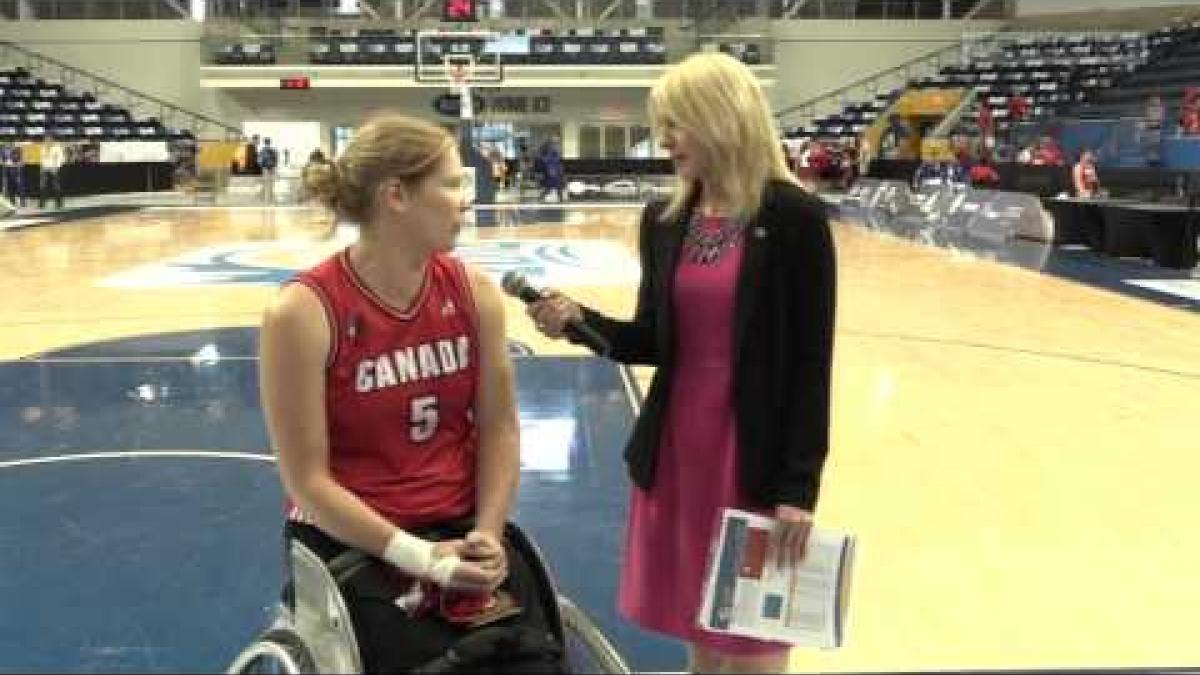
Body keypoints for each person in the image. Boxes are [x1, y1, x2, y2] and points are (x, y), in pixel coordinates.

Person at [524, 52, 837, 674]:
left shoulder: (794, 218)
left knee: (753, 642)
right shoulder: (664, 219)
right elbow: (654, 341)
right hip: (678, 452)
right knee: (700, 636)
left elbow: (810, 364)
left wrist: (797, 489)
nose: (664, 140)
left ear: (723, 119)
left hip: (750, 458)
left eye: (677, 124)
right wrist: (579, 323)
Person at [259, 115, 530, 672]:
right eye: (452, 184)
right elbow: (307, 483)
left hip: (457, 524)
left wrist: (488, 533)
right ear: (396, 196)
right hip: (356, 539)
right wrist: (422, 559)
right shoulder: (304, 311)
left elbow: (500, 427)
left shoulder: (474, 292)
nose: (466, 199)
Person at [38, 134, 66, 210]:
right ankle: (42, 204)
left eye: (48, 139)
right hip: (45, 168)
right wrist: (41, 167)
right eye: (45, 140)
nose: (47, 141)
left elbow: (62, 158)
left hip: (54, 168)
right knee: (42, 186)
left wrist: (56, 167)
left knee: (56, 186)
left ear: (52, 140)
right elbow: (42, 158)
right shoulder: (43, 147)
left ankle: (59, 204)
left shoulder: (57, 147)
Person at [259, 137, 278, 204]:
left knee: (265, 183)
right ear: (270, 142)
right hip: (272, 168)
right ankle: (271, 199)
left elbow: (260, 161)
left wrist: (262, 167)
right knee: (271, 184)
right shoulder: (273, 150)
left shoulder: (262, 150)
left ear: (264, 142)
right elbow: (276, 160)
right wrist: (274, 167)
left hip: (265, 169)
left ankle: (265, 200)